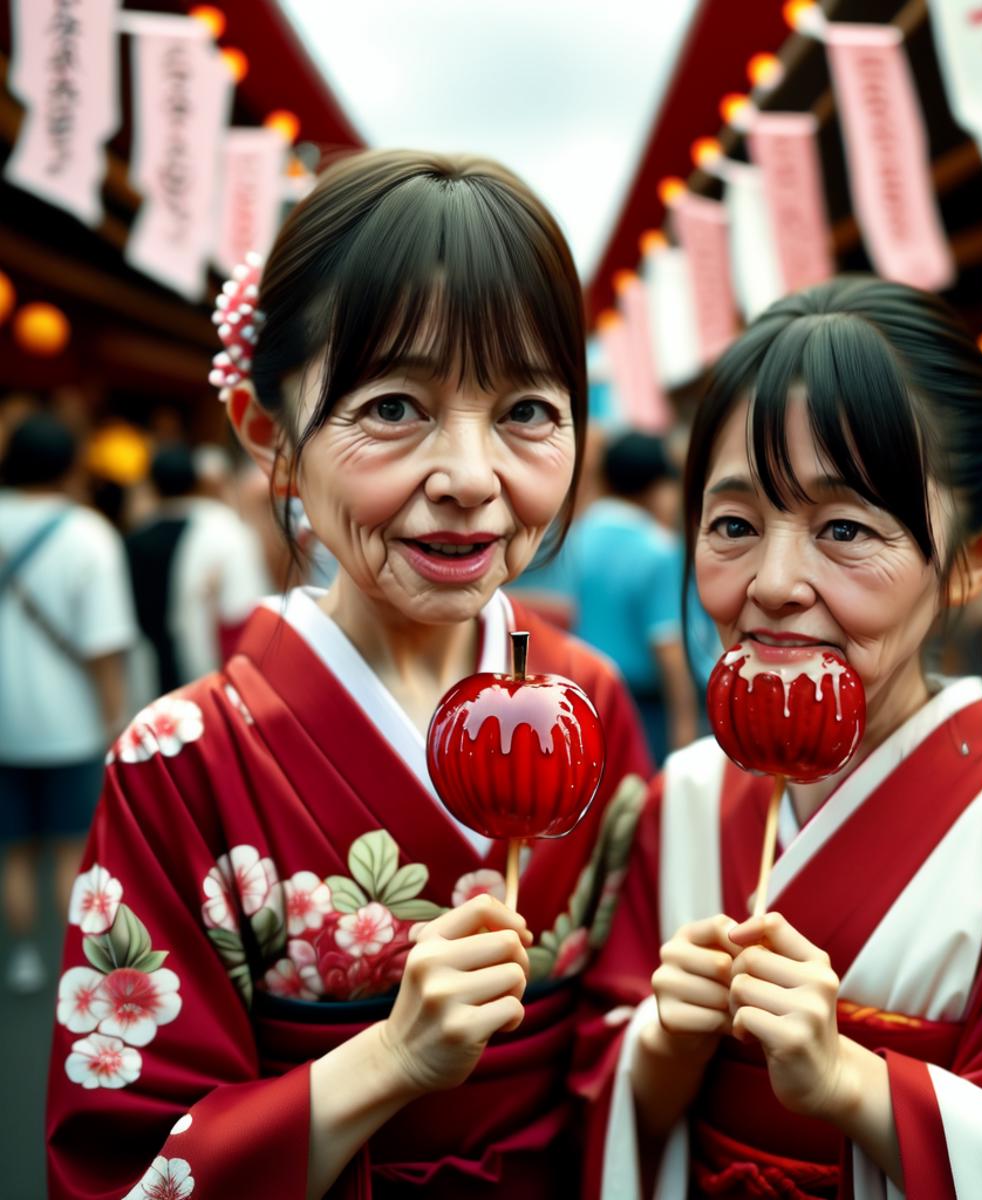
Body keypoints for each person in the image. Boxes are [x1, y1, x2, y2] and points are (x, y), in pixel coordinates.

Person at [45, 150, 652, 1200]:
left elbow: (625, 1042)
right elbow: (123, 1166)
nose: (470, 478)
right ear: (268, 433)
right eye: (391, 408)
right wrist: (389, 1063)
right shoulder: (179, 761)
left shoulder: (589, 699)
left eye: (527, 411)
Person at [579, 278, 982, 1198]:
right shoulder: (688, 796)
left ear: (976, 560)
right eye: (735, 524)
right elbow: (599, 1074)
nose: (776, 581)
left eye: (843, 527)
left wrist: (850, 1082)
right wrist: (663, 1046)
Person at [0, 414, 136, 994]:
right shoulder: (88, 534)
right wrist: (116, 720)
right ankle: (67, 966)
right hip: (71, 725)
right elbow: (106, 646)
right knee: (70, 851)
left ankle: (23, 957)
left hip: (5, 724)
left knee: (14, 853)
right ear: (69, 464)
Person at [570, 431, 699, 763]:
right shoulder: (658, 549)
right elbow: (669, 650)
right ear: (657, 488)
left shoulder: (572, 540)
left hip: (572, 701)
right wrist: (683, 738)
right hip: (641, 711)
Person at [125, 443, 271, 697]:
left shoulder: (135, 538)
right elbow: (244, 609)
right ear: (198, 481)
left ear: (153, 486)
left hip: (145, 679)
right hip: (213, 677)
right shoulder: (226, 529)